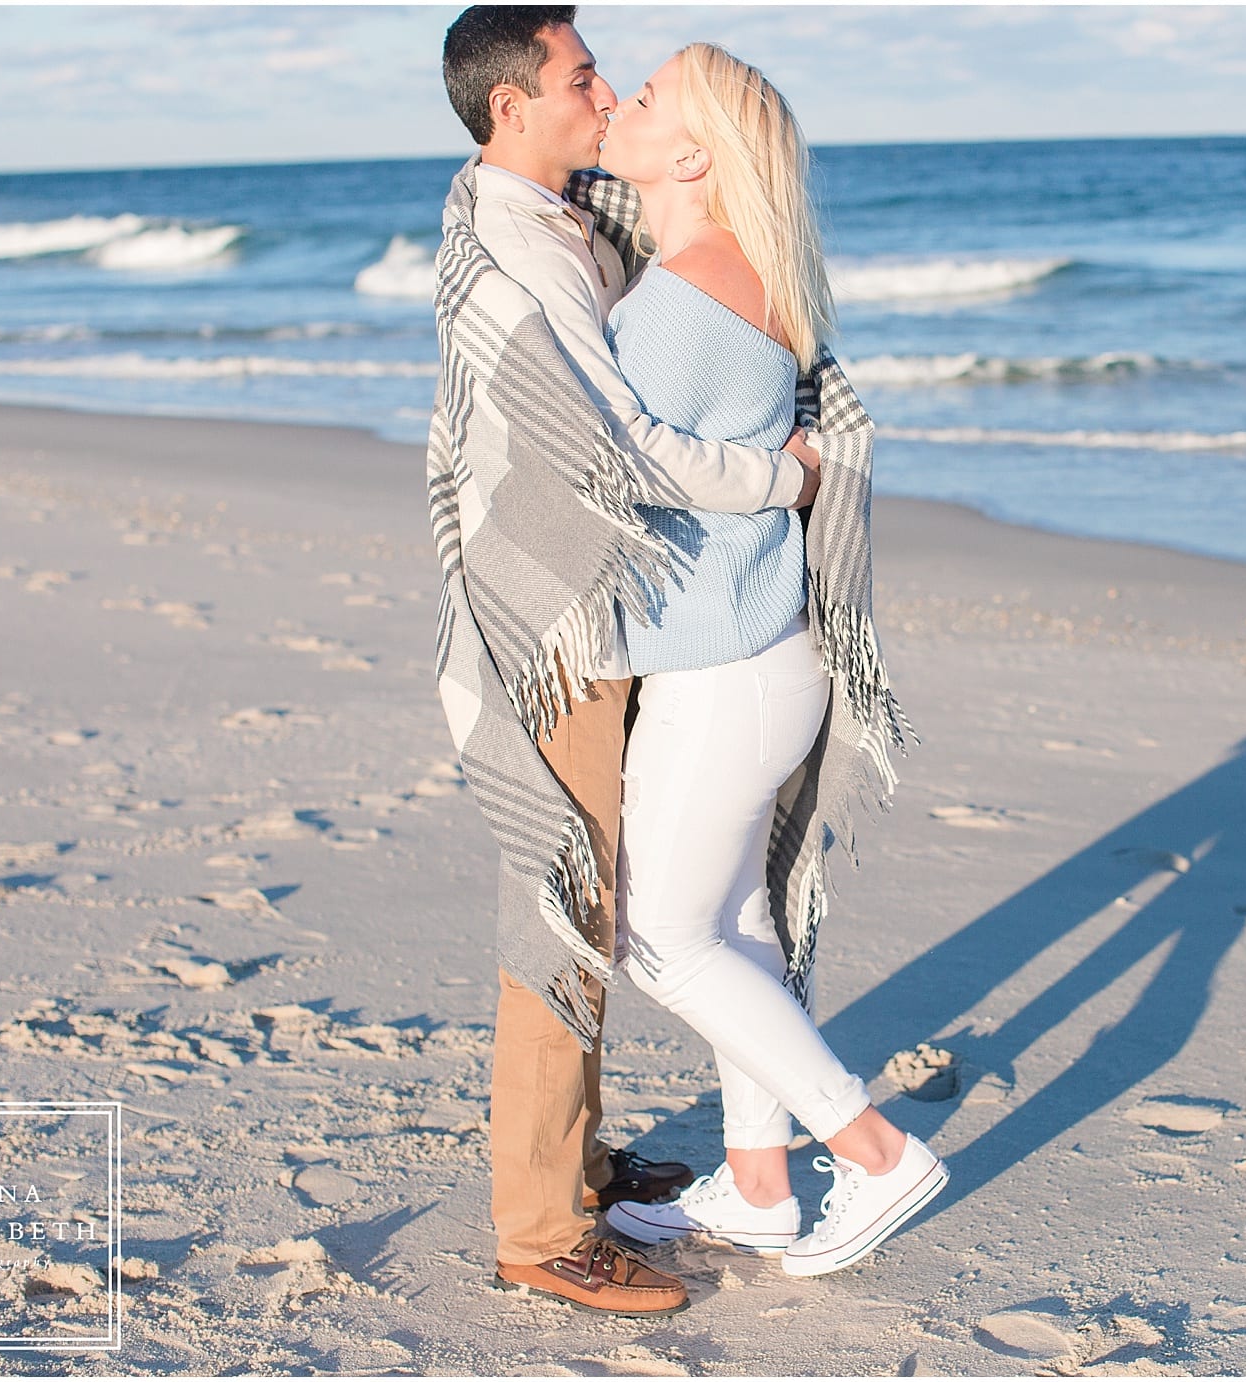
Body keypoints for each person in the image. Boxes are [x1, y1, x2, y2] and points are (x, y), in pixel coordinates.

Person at [433, 5, 824, 1318]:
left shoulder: (552, 206)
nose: (604, 92)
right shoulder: (519, 251)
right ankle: (541, 1227)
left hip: (600, 607)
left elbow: (711, 201)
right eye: (583, 75)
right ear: (511, 109)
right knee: (560, 913)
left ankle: (578, 1163)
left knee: (596, 903)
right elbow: (627, 451)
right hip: (549, 625)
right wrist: (786, 473)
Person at [589, 43, 946, 1279]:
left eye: (638, 100)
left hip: (724, 670)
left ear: (689, 155)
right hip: (763, 658)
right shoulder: (741, 269)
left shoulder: (685, 296)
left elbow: (612, 465)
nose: (615, 106)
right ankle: (756, 1185)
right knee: (733, 928)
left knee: (663, 939)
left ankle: (874, 1147)